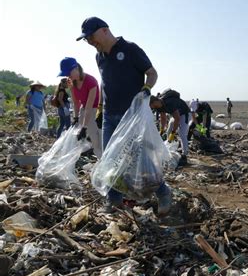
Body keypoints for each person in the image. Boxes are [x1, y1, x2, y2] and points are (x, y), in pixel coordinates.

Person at [76, 16, 171, 215]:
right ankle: (115, 202)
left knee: (141, 158)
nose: (90, 42)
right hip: (110, 116)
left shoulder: (130, 49)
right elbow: (105, 82)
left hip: (132, 117)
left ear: (104, 30)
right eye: (87, 40)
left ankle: (163, 194)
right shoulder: (99, 57)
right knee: (110, 160)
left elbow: (152, 73)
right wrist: (101, 107)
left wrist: (146, 88)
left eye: (91, 37)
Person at [59, 57, 102, 157]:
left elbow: (89, 106)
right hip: (83, 111)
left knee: (97, 141)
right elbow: (75, 102)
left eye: (69, 73)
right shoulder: (72, 83)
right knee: (80, 139)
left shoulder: (91, 81)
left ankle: (102, 161)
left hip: (94, 111)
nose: (67, 75)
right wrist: (76, 117)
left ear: (76, 68)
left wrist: (84, 127)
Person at [149, 91, 190, 165]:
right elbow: (163, 118)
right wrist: (161, 130)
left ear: (154, 102)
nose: (151, 108)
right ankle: (171, 145)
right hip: (176, 114)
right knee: (168, 130)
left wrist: (173, 132)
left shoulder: (170, 103)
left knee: (182, 134)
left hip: (184, 113)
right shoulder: (158, 106)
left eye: (151, 105)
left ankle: (185, 155)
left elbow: (177, 119)